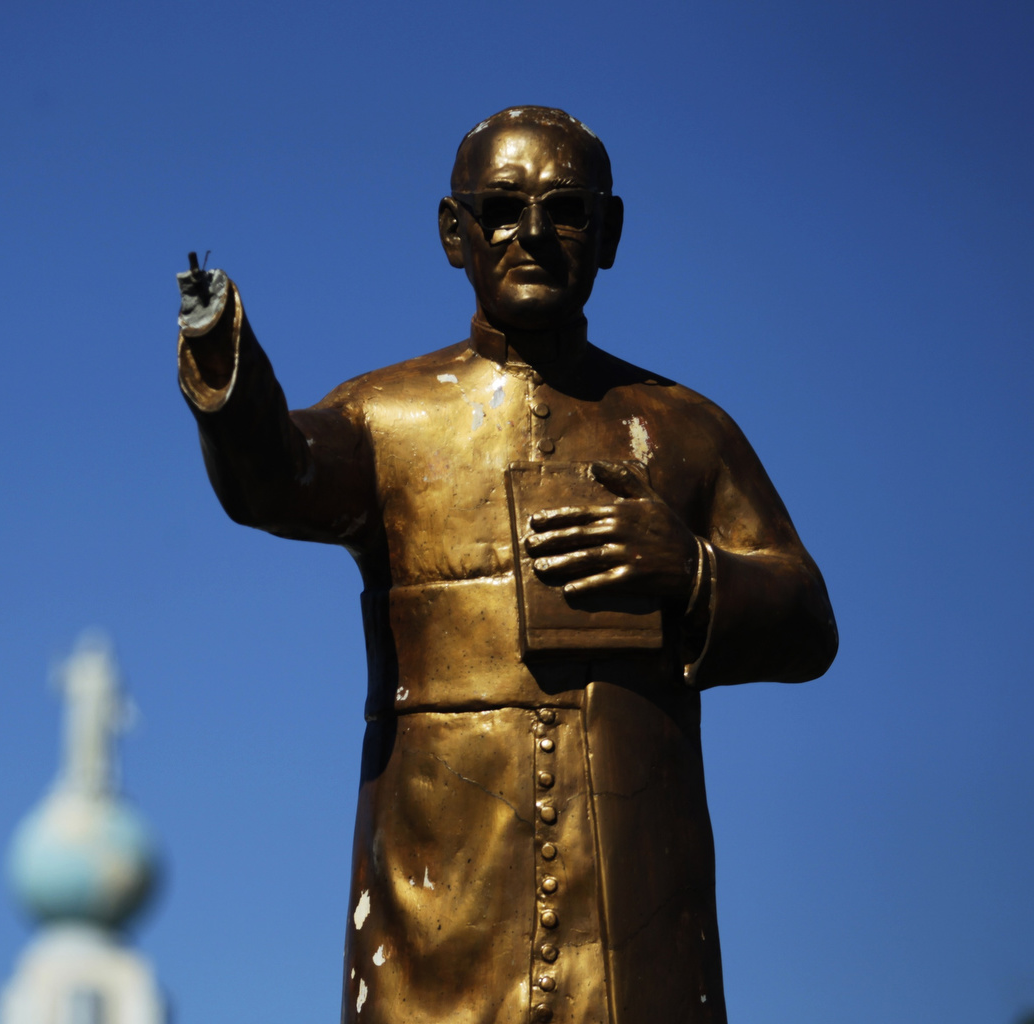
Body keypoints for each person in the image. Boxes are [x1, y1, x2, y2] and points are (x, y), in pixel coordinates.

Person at [175, 106, 836, 1024]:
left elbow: (808, 617)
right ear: (455, 233)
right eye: (500, 209)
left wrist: (692, 572)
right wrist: (227, 369)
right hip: (440, 901)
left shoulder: (688, 429)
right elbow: (276, 476)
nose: (532, 235)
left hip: (634, 909)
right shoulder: (388, 417)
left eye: (565, 210)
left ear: (607, 234)